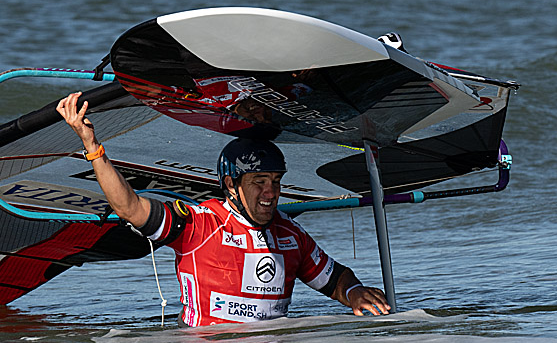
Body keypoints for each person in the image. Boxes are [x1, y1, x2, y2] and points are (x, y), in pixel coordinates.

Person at [56, 92, 392, 326]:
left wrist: (355, 293)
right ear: (231, 184)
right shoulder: (198, 224)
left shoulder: (290, 233)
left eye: (276, 181)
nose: (270, 192)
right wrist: (92, 147)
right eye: (258, 181)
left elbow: (334, 278)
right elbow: (129, 207)